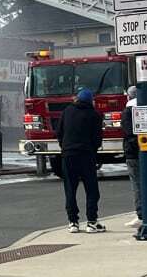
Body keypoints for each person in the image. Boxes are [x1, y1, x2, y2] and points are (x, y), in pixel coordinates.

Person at [56, 88, 106, 233]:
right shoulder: (94, 115)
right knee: (91, 189)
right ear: (91, 100)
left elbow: (59, 132)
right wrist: (93, 150)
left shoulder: (67, 111)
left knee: (70, 189)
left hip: (68, 154)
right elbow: (97, 139)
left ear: (77, 98)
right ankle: (91, 221)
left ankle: (73, 222)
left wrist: (64, 146)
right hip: (86, 154)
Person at [121, 86, 142, 228]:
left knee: (137, 184)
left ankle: (141, 214)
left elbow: (128, 132)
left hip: (133, 154)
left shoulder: (128, 111)